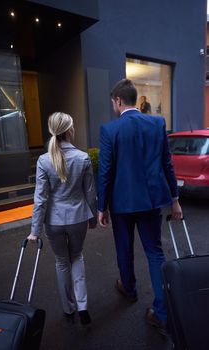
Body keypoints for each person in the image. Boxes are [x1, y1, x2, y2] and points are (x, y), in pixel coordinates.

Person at [98, 79, 182, 335]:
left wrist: (101, 206)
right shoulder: (157, 123)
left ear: (119, 101)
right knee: (155, 253)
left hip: (122, 204)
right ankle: (161, 312)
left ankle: (130, 288)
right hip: (150, 202)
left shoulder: (109, 130)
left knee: (124, 250)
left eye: (113, 102)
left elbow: (106, 171)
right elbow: (167, 163)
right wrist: (175, 199)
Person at [27, 112, 97, 325]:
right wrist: (92, 218)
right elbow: (91, 193)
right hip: (77, 217)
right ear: (69, 130)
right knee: (76, 256)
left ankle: (68, 308)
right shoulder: (83, 157)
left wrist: (34, 231)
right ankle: (83, 306)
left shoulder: (43, 160)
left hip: (54, 221)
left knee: (61, 262)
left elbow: (40, 198)